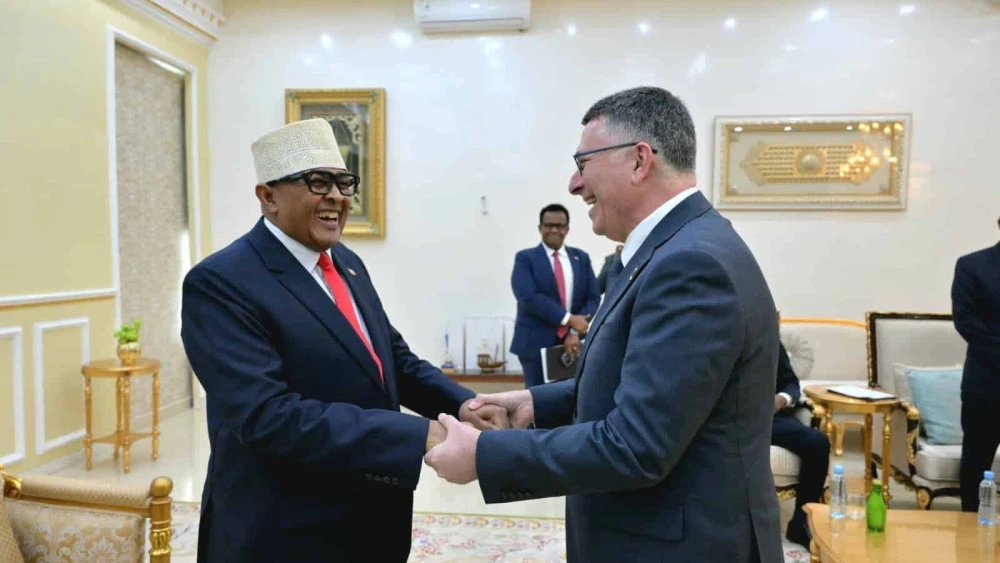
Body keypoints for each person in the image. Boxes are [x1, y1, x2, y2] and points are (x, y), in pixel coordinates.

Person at [425, 86, 782, 562]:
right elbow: (636, 382)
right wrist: (534, 401)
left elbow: (637, 445)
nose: (574, 184)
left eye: (582, 162)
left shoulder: (691, 265)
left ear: (639, 161)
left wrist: (484, 457)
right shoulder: (673, 249)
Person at [180, 118, 505, 562]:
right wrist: (421, 435)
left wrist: (461, 405)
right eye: (317, 181)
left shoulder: (345, 262)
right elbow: (268, 417)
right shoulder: (221, 283)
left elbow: (390, 357)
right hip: (283, 531)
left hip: (370, 519)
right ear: (268, 196)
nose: (336, 195)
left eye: (343, 182)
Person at [509, 204, 600, 387]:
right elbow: (528, 296)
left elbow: (593, 297)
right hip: (534, 345)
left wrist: (574, 330)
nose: (554, 229)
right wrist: (568, 319)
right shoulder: (525, 258)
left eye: (559, 226)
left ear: (567, 229)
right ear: (540, 227)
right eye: (548, 225)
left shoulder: (581, 258)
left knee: (571, 401)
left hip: (573, 345)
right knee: (537, 403)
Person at [952, 215, 1000, 513]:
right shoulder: (972, 266)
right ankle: (970, 528)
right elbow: (966, 322)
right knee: (976, 459)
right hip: (986, 382)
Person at [771, 341, 830, 547]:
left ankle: (800, 524)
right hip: (729, 419)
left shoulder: (767, 335)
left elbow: (790, 383)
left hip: (770, 419)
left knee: (817, 442)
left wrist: (781, 399)